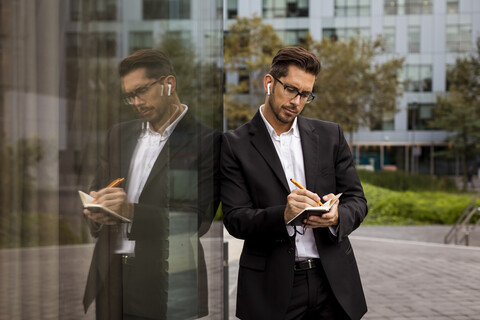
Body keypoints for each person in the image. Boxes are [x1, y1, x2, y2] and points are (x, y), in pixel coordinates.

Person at [221, 46, 368, 320]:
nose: (297, 102)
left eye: (305, 95)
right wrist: (284, 216)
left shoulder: (330, 135)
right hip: (272, 289)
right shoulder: (234, 144)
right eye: (291, 90)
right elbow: (235, 219)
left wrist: (337, 216)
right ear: (269, 83)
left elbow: (358, 201)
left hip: (333, 283)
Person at [82, 49, 220, 319]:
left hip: (165, 281)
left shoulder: (207, 142)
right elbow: (97, 191)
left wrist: (130, 211)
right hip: (110, 277)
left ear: (169, 84)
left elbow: (195, 220)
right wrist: (96, 212)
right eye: (129, 95)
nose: (135, 101)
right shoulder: (118, 135)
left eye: (141, 91)